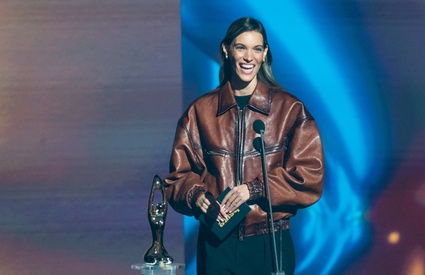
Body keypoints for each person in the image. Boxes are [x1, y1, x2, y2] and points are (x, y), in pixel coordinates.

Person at [164, 17, 324, 275]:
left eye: (256, 49)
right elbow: (178, 178)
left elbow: (309, 176)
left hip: (269, 244)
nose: (249, 57)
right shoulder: (200, 111)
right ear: (226, 50)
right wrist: (197, 196)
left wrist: (255, 189)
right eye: (241, 47)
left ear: (265, 54)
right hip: (217, 243)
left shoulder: (289, 110)